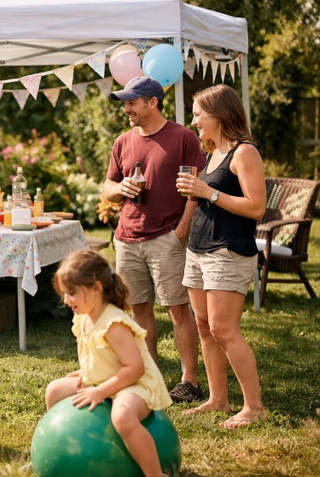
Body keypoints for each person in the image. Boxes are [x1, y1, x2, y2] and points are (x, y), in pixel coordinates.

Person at [103, 76, 205, 404]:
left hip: (167, 236)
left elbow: (195, 187)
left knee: (177, 308)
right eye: (126, 103)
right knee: (139, 309)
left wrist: (183, 229)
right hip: (127, 237)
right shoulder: (122, 142)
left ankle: (189, 380)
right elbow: (108, 186)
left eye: (132, 102)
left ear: (152, 102)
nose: (127, 109)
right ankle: (149, 374)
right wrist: (121, 189)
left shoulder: (183, 138)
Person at [176, 84, 267, 428]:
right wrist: (196, 193)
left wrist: (207, 192)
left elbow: (256, 207)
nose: (195, 120)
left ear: (219, 114)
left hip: (227, 250)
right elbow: (208, 197)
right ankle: (218, 399)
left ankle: (254, 408)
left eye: (199, 113)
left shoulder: (245, 153)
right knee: (204, 327)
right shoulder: (212, 150)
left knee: (223, 329)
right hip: (199, 248)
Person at [45, 249, 172, 477]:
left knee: (122, 417)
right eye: (64, 293)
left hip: (136, 386)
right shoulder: (84, 316)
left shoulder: (114, 323)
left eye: (72, 293)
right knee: (55, 391)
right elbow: (102, 355)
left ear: (96, 288)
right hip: (106, 381)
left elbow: (135, 369)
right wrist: (87, 371)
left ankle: (154, 473)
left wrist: (100, 391)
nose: (66, 300)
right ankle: (54, 450)